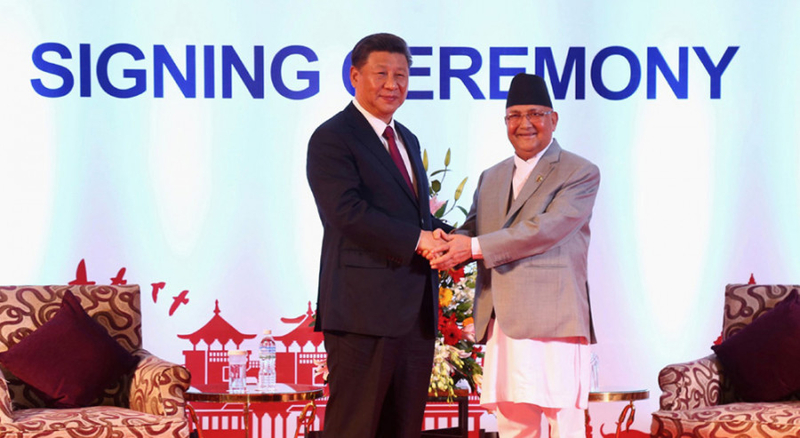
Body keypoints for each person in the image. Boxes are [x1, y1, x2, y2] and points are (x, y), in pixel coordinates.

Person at [427, 73, 600, 438]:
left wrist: (471, 248)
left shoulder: (579, 171)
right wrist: (445, 242)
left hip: (555, 320)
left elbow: (545, 230)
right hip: (503, 321)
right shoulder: (492, 176)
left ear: (554, 119)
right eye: (515, 115)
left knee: (564, 424)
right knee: (512, 425)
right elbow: (472, 228)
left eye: (535, 114)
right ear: (505, 122)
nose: (525, 124)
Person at [306, 33, 451, 437]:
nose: (393, 84)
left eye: (402, 75)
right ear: (355, 76)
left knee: (403, 428)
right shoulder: (332, 137)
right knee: (356, 427)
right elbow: (345, 213)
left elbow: (417, 218)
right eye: (382, 74)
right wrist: (419, 240)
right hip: (361, 314)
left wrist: (458, 241)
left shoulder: (407, 137)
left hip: (414, 315)